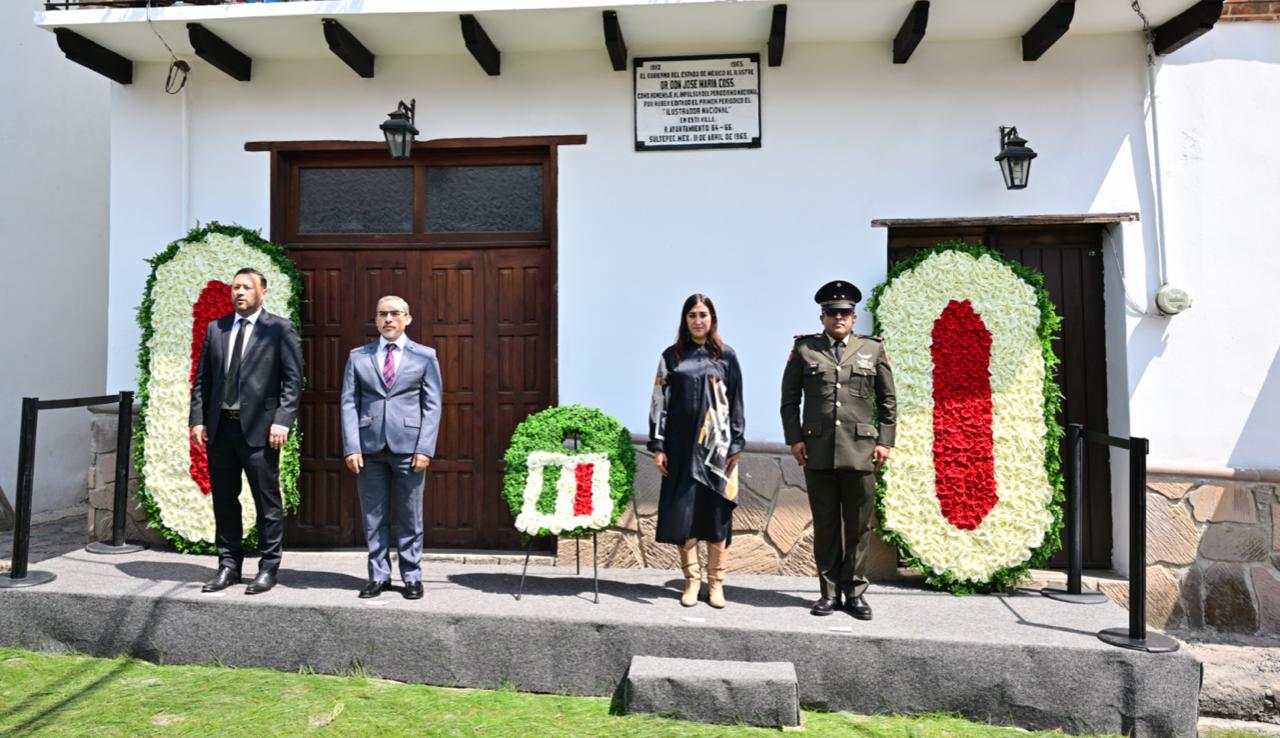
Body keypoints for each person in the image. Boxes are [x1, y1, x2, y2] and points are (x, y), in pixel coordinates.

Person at [780, 280, 896, 620]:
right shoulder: (805, 349)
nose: (838, 317)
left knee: (858, 528)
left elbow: (888, 400)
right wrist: (795, 439)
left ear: (854, 317)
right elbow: (789, 400)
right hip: (818, 450)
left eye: (844, 312)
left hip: (861, 451)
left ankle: (855, 593)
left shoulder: (872, 349)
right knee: (827, 525)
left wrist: (885, 441)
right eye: (832, 312)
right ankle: (829, 593)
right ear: (822, 317)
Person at [190, 267, 303, 595]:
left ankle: (268, 568)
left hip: (261, 430)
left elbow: (293, 381)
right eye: (235, 287)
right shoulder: (217, 328)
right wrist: (197, 419)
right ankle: (228, 566)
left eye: (247, 287)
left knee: (267, 502)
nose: (239, 292)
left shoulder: (279, 329)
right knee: (225, 501)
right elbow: (203, 379)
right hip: (220, 428)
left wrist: (282, 420)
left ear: (262, 293)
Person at [340, 296, 443, 600]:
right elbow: (349, 403)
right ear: (376, 319)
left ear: (407, 318)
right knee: (373, 516)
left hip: (409, 448)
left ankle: (412, 575)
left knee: (410, 515)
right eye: (382, 314)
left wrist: (425, 448)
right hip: (369, 447)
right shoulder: (358, 356)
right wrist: (352, 446)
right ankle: (378, 575)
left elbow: (432, 405)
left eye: (395, 313)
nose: (388, 319)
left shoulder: (425, 356)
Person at [648, 294, 745, 608]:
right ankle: (692, 582)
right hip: (680, 449)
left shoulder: (727, 356)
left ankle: (716, 583)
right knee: (685, 516)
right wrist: (659, 445)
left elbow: (737, 402)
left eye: (703, 314)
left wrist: (737, 443)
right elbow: (659, 402)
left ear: (712, 318)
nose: (698, 320)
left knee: (717, 517)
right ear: (685, 320)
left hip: (718, 451)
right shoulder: (671, 356)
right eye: (692, 315)